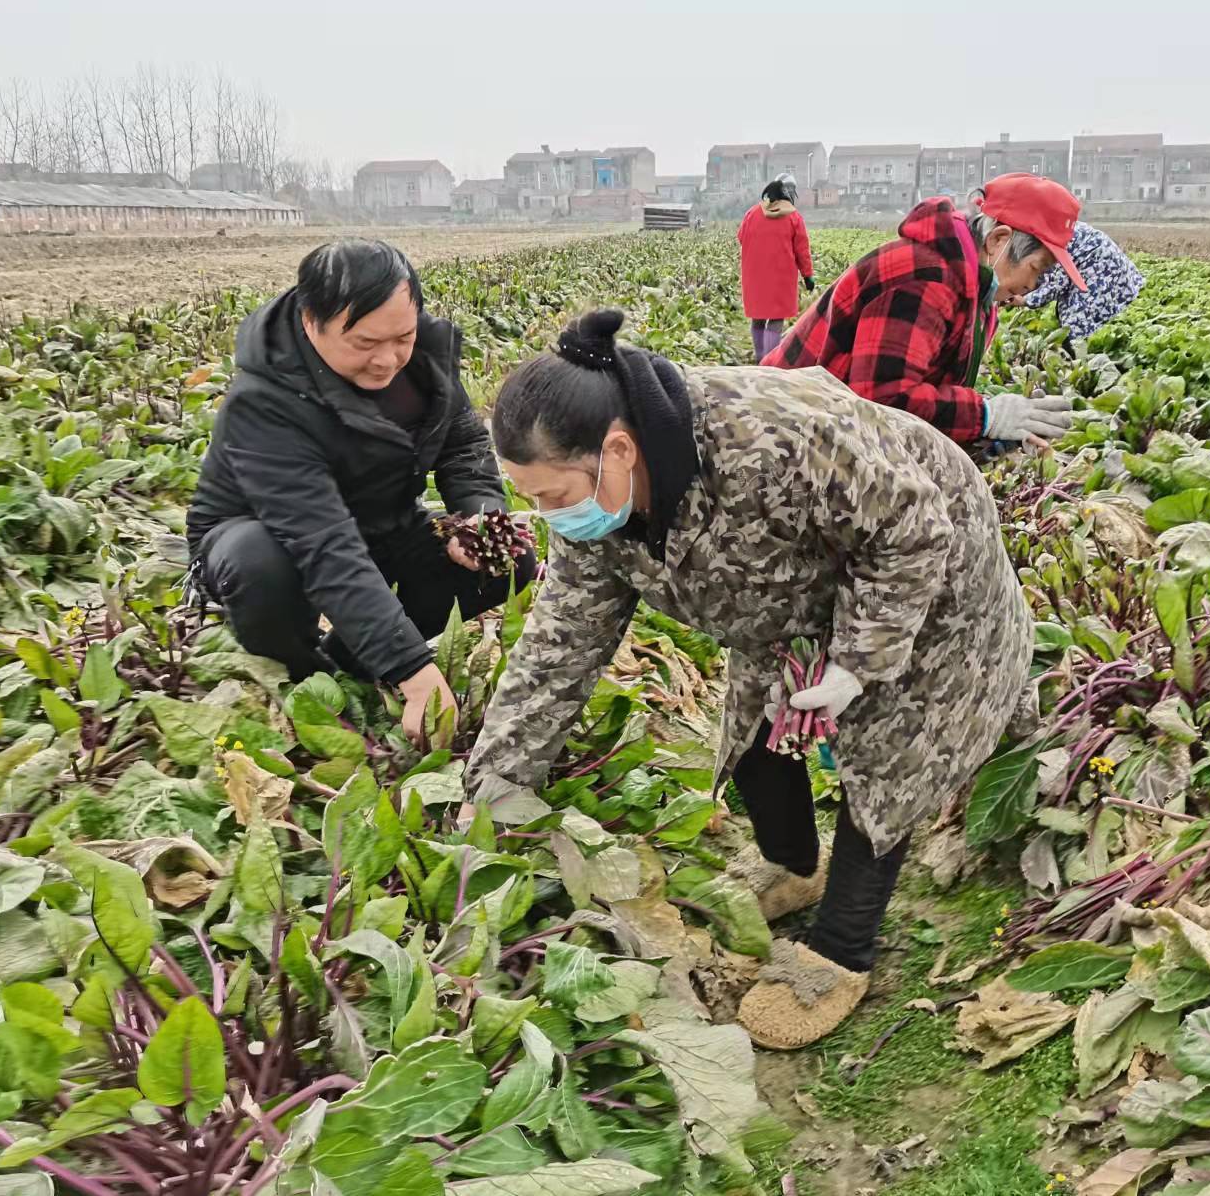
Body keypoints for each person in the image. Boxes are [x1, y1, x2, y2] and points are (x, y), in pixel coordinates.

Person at [467, 308, 1032, 1051]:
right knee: (759, 736)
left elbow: (913, 529)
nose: (548, 517)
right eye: (532, 500)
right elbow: (557, 647)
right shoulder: (598, 509)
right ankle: (794, 863)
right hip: (790, 595)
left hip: (920, 555)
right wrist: (494, 788)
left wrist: (859, 660)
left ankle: (843, 946)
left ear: (616, 448)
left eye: (551, 496)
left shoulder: (771, 440)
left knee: (892, 752)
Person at [186, 239, 537, 744]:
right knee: (259, 563)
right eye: (365, 343)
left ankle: (348, 663)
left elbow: (462, 446)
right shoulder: (262, 404)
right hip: (265, 537)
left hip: (381, 516)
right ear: (311, 322)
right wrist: (414, 672)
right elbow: (322, 543)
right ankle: (304, 672)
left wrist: (477, 519)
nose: (387, 360)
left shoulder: (425, 362)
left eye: (403, 337)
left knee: (507, 556)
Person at [761, 172, 1083, 448]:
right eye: (1037, 268)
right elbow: (883, 401)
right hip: (781, 428)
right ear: (999, 241)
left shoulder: (975, 290)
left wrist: (998, 432)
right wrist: (985, 416)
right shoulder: (925, 279)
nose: (1034, 284)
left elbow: (925, 389)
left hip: (829, 420)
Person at [1010, 220, 1145, 348]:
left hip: (1100, 272)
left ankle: (1078, 360)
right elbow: (1043, 275)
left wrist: (1025, 300)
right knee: (1078, 322)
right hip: (1108, 270)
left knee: (1076, 326)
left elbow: (1057, 283)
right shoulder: (1050, 231)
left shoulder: (1052, 240)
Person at [737, 172, 815, 361]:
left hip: (754, 275)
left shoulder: (752, 213)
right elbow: (802, 250)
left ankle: (759, 356)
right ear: (789, 192)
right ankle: (769, 361)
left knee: (758, 317)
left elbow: (741, 237)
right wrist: (808, 276)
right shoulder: (793, 217)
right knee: (775, 319)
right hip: (780, 277)